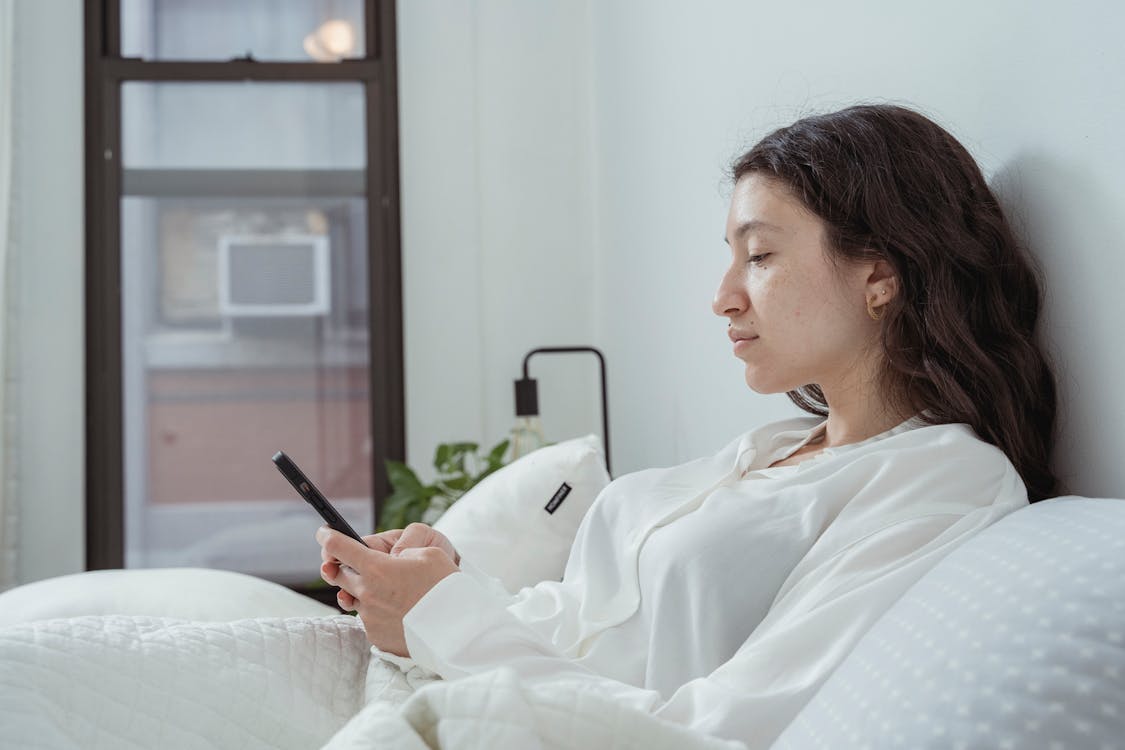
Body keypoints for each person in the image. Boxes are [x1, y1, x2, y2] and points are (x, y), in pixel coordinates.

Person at [316, 104, 1058, 747]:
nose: (723, 297)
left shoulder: (941, 479)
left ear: (879, 276)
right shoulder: (768, 451)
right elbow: (583, 626)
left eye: (759, 255)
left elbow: (707, 730)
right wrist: (441, 585)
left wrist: (448, 620)